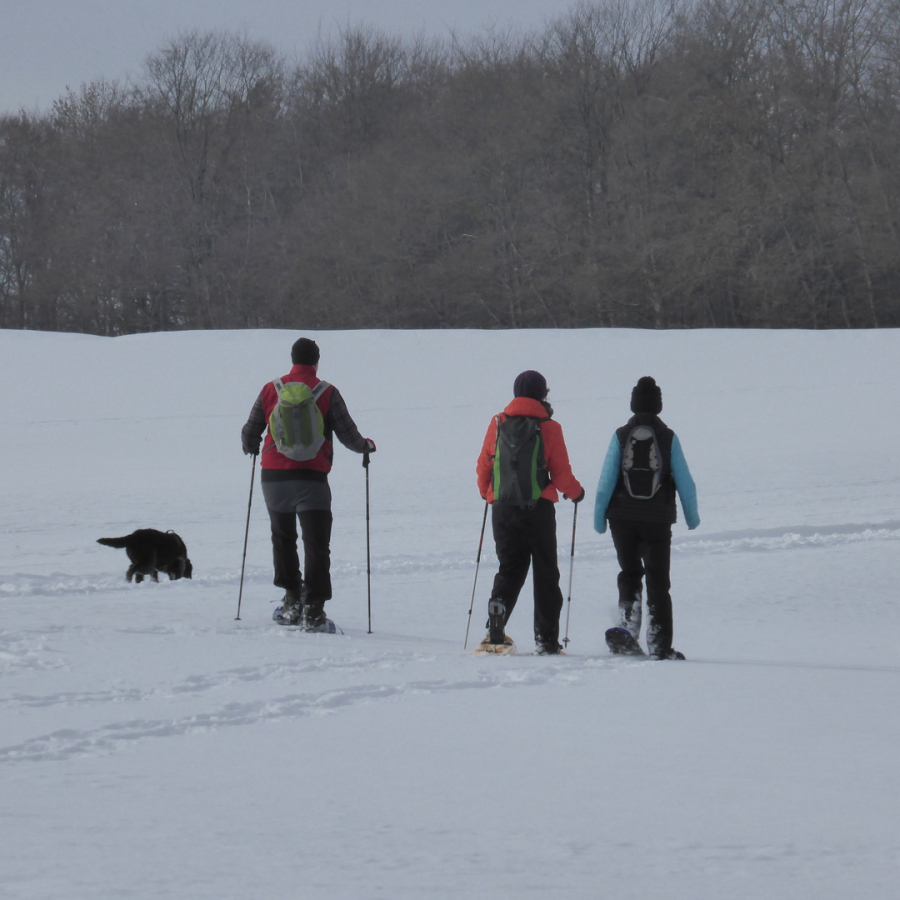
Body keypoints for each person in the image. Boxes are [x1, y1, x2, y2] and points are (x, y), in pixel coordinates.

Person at [241, 337, 375, 629]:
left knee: (283, 538)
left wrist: (251, 446)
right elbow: (348, 435)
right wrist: (366, 446)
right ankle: (314, 611)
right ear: (316, 362)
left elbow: (250, 431)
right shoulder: (327, 391)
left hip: (273, 477)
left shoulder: (271, 389)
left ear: (292, 359)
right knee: (316, 544)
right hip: (311, 478)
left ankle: (291, 602)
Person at [476, 370, 584, 654]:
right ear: (543, 394)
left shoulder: (497, 422)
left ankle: (496, 622)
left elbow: (484, 464)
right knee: (546, 573)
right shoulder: (549, 426)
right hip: (538, 509)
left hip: (502, 507)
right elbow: (561, 473)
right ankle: (546, 641)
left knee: (509, 568)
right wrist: (576, 493)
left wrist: (488, 493)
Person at [593, 376, 699, 659]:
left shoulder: (620, 435)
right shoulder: (668, 437)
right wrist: (692, 517)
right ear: (658, 405)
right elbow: (685, 482)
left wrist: (599, 518)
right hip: (657, 519)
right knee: (658, 581)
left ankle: (627, 627)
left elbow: (606, 481)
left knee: (629, 573)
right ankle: (660, 645)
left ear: (633, 404)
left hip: (621, 518)